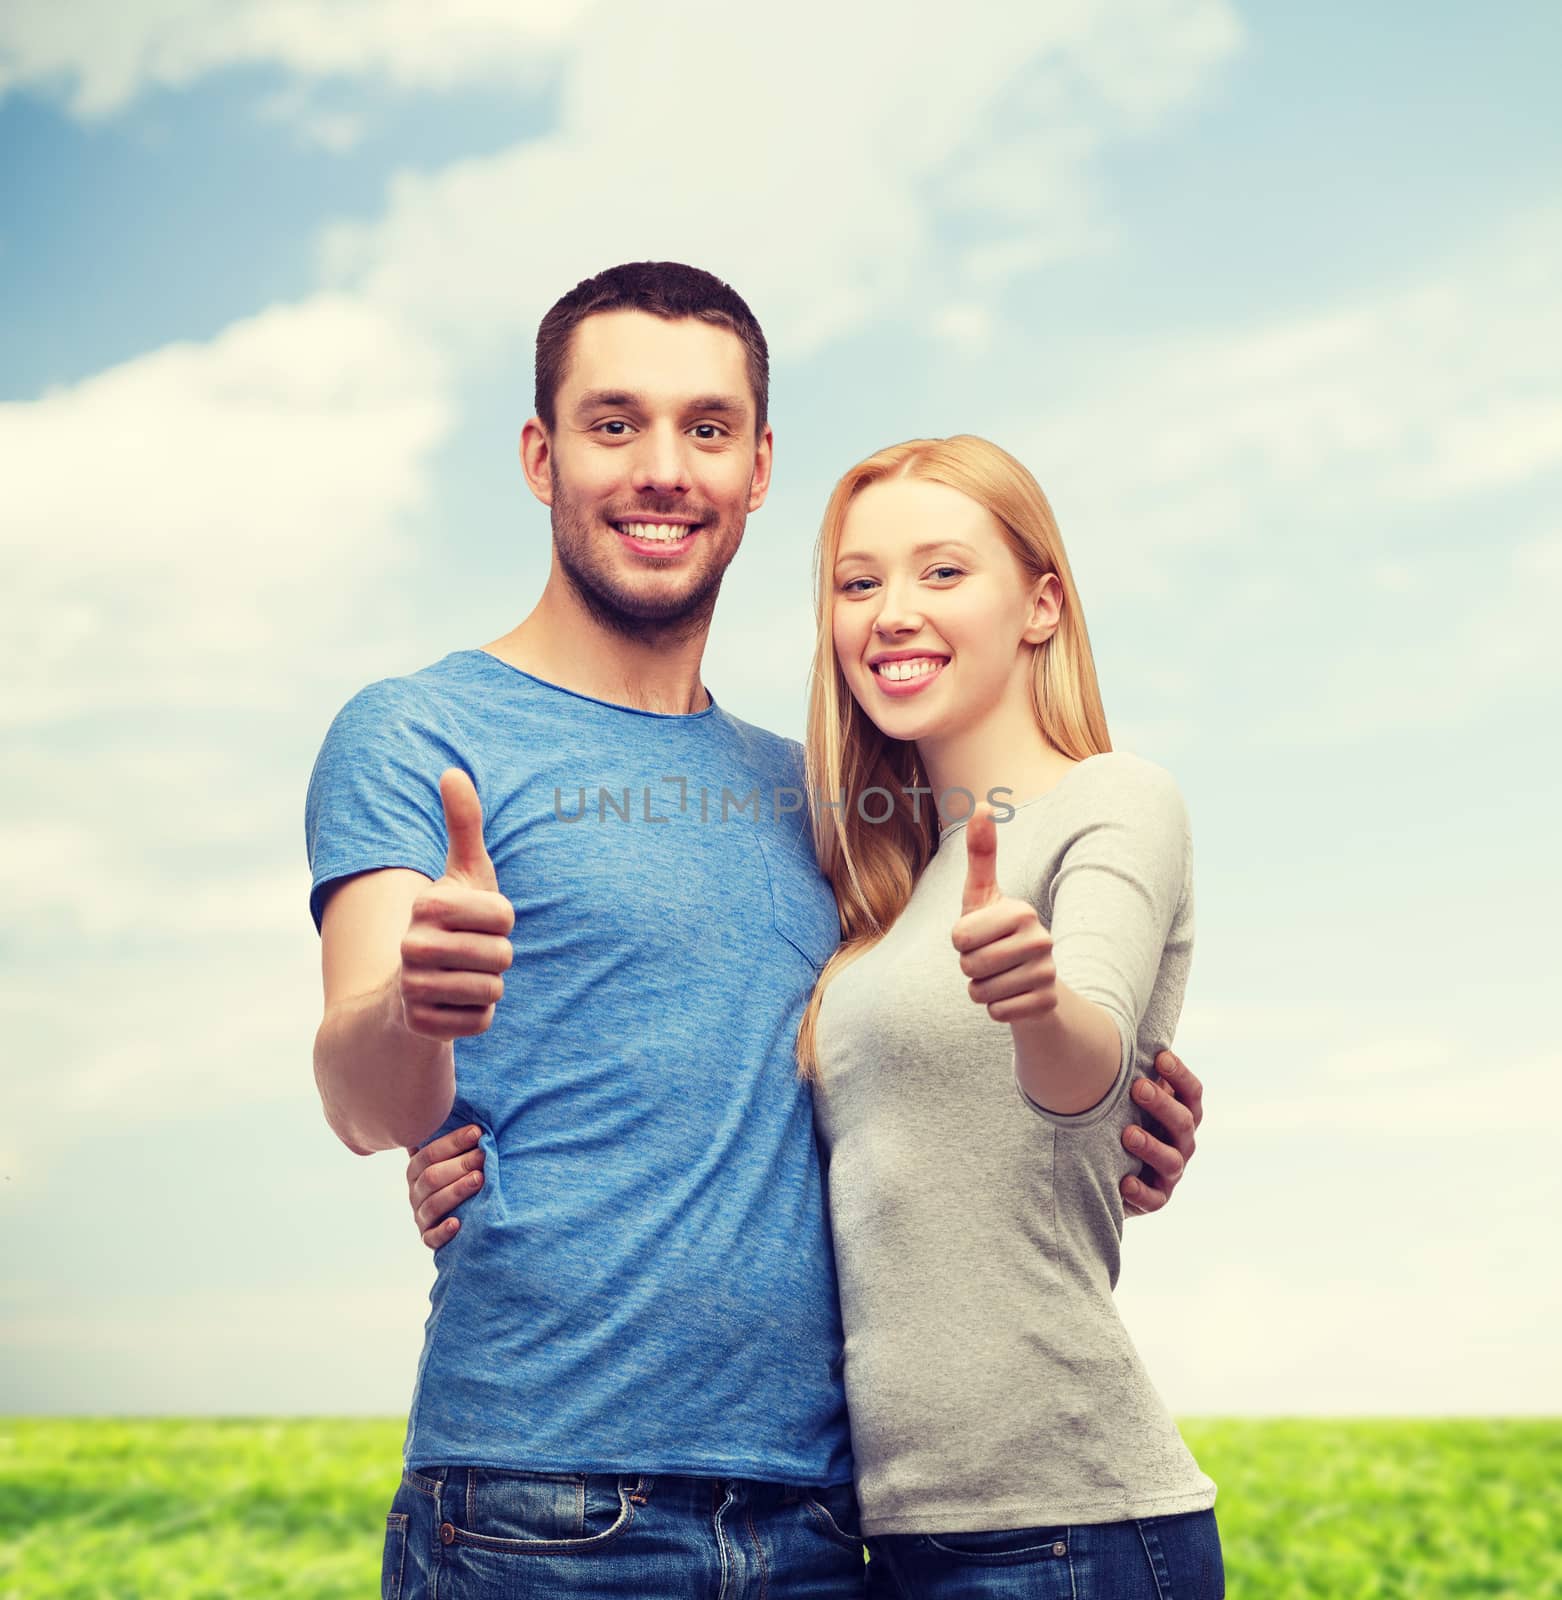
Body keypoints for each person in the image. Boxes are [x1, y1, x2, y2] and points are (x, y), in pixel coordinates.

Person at [309, 261, 1205, 1600]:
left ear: (758, 467)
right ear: (538, 456)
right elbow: (366, 1097)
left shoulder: (844, 803)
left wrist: (1126, 1087)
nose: (662, 467)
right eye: (613, 425)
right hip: (539, 1509)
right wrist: (414, 1012)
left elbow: (949, 1049)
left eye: (706, 428)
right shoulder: (416, 732)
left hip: (828, 1528)